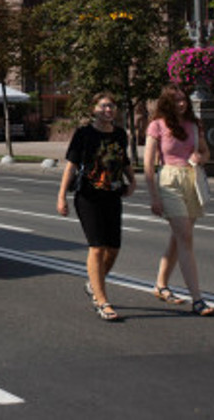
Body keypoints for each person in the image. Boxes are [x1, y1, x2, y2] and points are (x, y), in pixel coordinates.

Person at [56, 91, 134, 322]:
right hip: (88, 196)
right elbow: (71, 166)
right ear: (94, 110)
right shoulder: (84, 134)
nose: (108, 110)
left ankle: (93, 282)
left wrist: (133, 180)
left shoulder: (120, 134)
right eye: (104, 106)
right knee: (97, 247)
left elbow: (124, 160)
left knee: (114, 248)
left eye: (112, 106)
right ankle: (102, 301)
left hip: (113, 194)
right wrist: (61, 196)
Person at [145, 84, 214, 316]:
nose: (182, 104)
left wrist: (201, 156)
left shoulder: (194, 125)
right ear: (166, 102)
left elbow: (206, 153)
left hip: (192, 178)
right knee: (185, 237)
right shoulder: (156, 126)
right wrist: (153, 196)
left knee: (179, 238)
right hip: (169, 180)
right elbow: (148, 164)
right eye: (176, 100)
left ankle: (160, 284)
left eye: (183, 99)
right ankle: (197, 299)